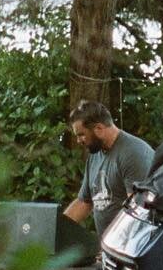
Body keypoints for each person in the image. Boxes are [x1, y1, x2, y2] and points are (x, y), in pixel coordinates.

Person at [63, 100, 155, 239]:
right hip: (109, 246)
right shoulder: (95, 156)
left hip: (129, 247)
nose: (78, 141)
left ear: (99, 129)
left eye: (81, 134)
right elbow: (84, 202)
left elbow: (137, 212)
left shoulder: (133, 154)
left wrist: (111, 246)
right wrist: (57, 230)